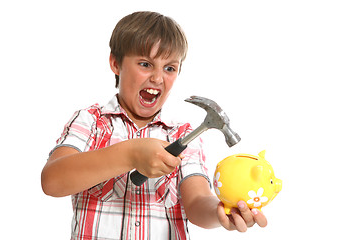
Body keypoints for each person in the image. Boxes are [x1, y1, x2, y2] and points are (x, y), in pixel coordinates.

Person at [41, 11, 267, 240]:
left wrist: (222, 211)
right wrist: (130, 154)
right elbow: (52, 181)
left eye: (170, 68)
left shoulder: (184, 135)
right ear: (115, 63)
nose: (158, 78)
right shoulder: (91, 122)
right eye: (146, 64)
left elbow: (198, 203)